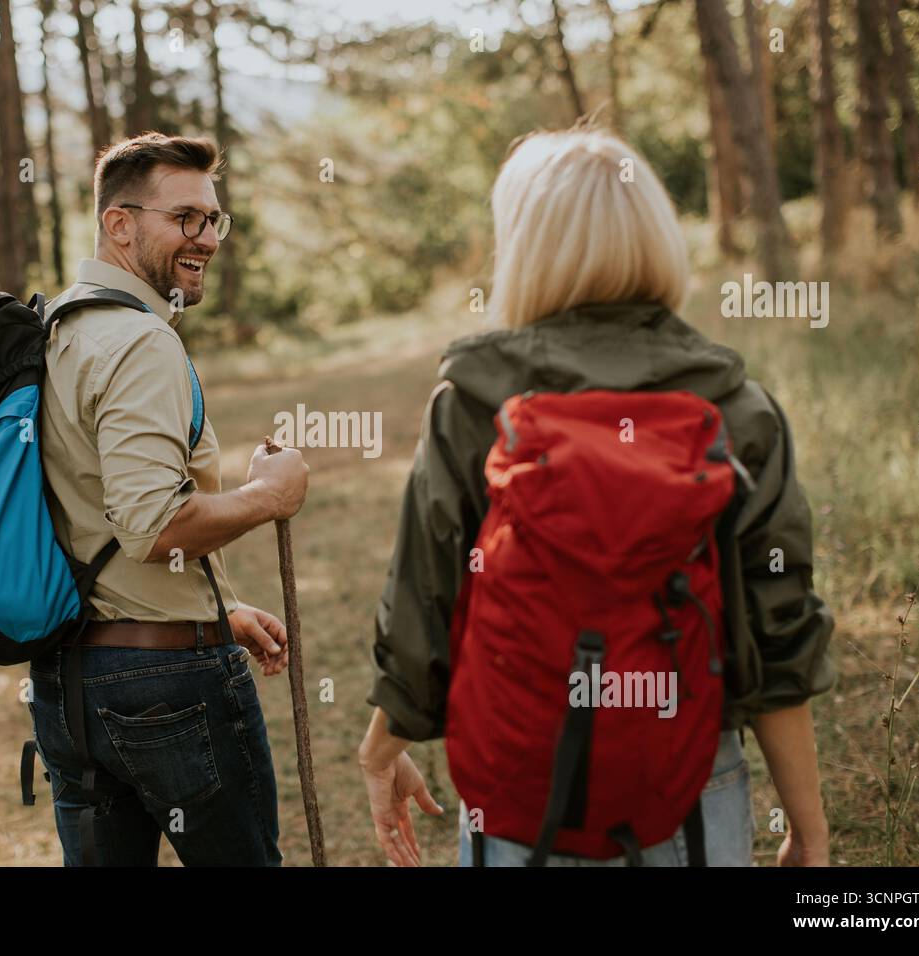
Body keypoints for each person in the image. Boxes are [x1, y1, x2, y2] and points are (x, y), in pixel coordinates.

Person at [357, 126, 835, 868]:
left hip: (518, 784)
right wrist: (808, 826)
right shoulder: (738, 409)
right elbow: (781, 635)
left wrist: (382, 748)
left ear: (521, 246)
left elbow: (425, 609)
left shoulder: (473, 404)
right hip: (688, 782)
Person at [29, 132, 308, 866]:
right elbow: (154, 525)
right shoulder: (140, 342)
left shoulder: (57, 329)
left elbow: (93, 508)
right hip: (167, 690)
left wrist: (224, 609)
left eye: (214, 220)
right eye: (185, 218)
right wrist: (265, 496)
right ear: (120, 225)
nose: (207, 239)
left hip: (70, 686)